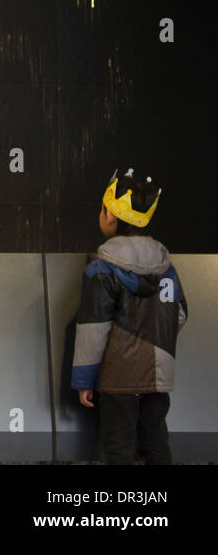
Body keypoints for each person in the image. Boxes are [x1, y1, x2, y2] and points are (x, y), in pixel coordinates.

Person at [72, 168, 187, 464]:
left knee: (118, 447)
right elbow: (180, 314)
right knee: (156, 442)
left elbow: (94, 329)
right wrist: (153, 338)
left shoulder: (101, 268)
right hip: (159, 373)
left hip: (119, 375)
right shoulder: (166, 267)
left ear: (110, 216)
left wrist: (84, 378)